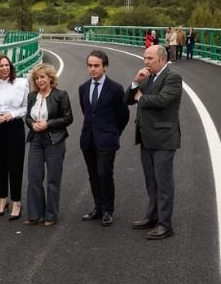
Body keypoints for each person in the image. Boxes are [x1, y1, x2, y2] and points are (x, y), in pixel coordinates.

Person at [124, 45, 182, 240]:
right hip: (146, 137)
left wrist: (140, 97)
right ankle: (152, 216)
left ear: (162, 59)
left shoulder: (172, 78)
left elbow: (162, 101)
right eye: (145, 58)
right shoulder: (147, 77)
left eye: (150, 58)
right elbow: (127, 100)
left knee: (163, 183)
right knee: (151, 181)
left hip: (164, 139)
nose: (145, 62)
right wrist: (135, 82)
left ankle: (165, 224)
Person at [78, 50, 130, 226]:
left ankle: (108, 210)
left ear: (105, 67)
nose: (92, 69)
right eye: (90, 66)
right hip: (88, 139)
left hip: (107, 140)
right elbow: (87, 112)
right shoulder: (83, 88)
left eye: (96, 66)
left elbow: (123, 115)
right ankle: (98, 207)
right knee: (93, 175)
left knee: (104, 174)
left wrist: (113, 132)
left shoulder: (115, 89)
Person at [23, 63, 73, 227]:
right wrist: (32, 124)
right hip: (36, 140)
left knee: (53, 179)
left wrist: (48, 124)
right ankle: (34, 214)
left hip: (54, 140)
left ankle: (51, 215)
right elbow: (27, 117)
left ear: (50, 78)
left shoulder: (60, 95)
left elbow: (68, 118)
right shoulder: (32, 96)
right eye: (37, 78)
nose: (39, 80)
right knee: (34, 177)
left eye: (42, 77)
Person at [0, 55, 29, 220]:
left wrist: (13, 114)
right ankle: (2, 200)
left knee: (15, 165)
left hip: (14, 126)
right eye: (1, 66)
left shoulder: (21, 83)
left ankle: (16, 202)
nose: (4, 68)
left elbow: (26, 106)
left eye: (7, 65)